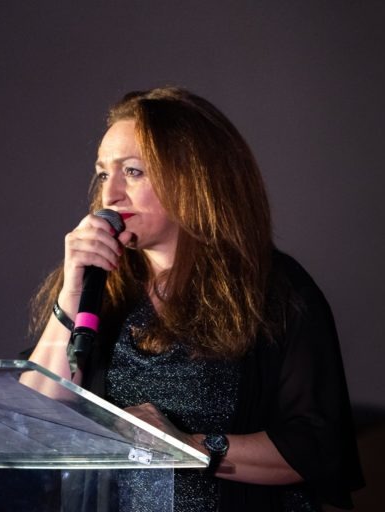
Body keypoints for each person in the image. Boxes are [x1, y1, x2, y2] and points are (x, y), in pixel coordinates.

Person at [25, 87, 364, 511]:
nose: (109, 194)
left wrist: (185, 445)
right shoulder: (101, 288)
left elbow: (315, 445)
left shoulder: (274, 289)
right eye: (102, 173)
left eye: (132, 172)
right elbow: (29, 417)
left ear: (192, 178)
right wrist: (72, 291)